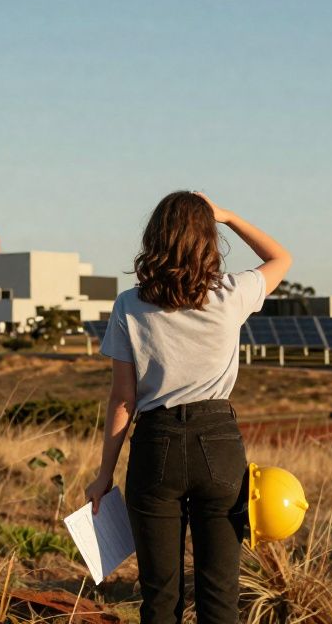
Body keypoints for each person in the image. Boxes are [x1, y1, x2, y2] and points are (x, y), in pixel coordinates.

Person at [84, 190, 291, 624]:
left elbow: (123, 399)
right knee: (220, 598)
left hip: (155, 446)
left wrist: (105, 475)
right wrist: (230, 215)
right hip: (218, 446)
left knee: (160, 600)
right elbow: (281, 258)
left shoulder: (129, 304)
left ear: (154, 238)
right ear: (208, 240)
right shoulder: (231, 293)